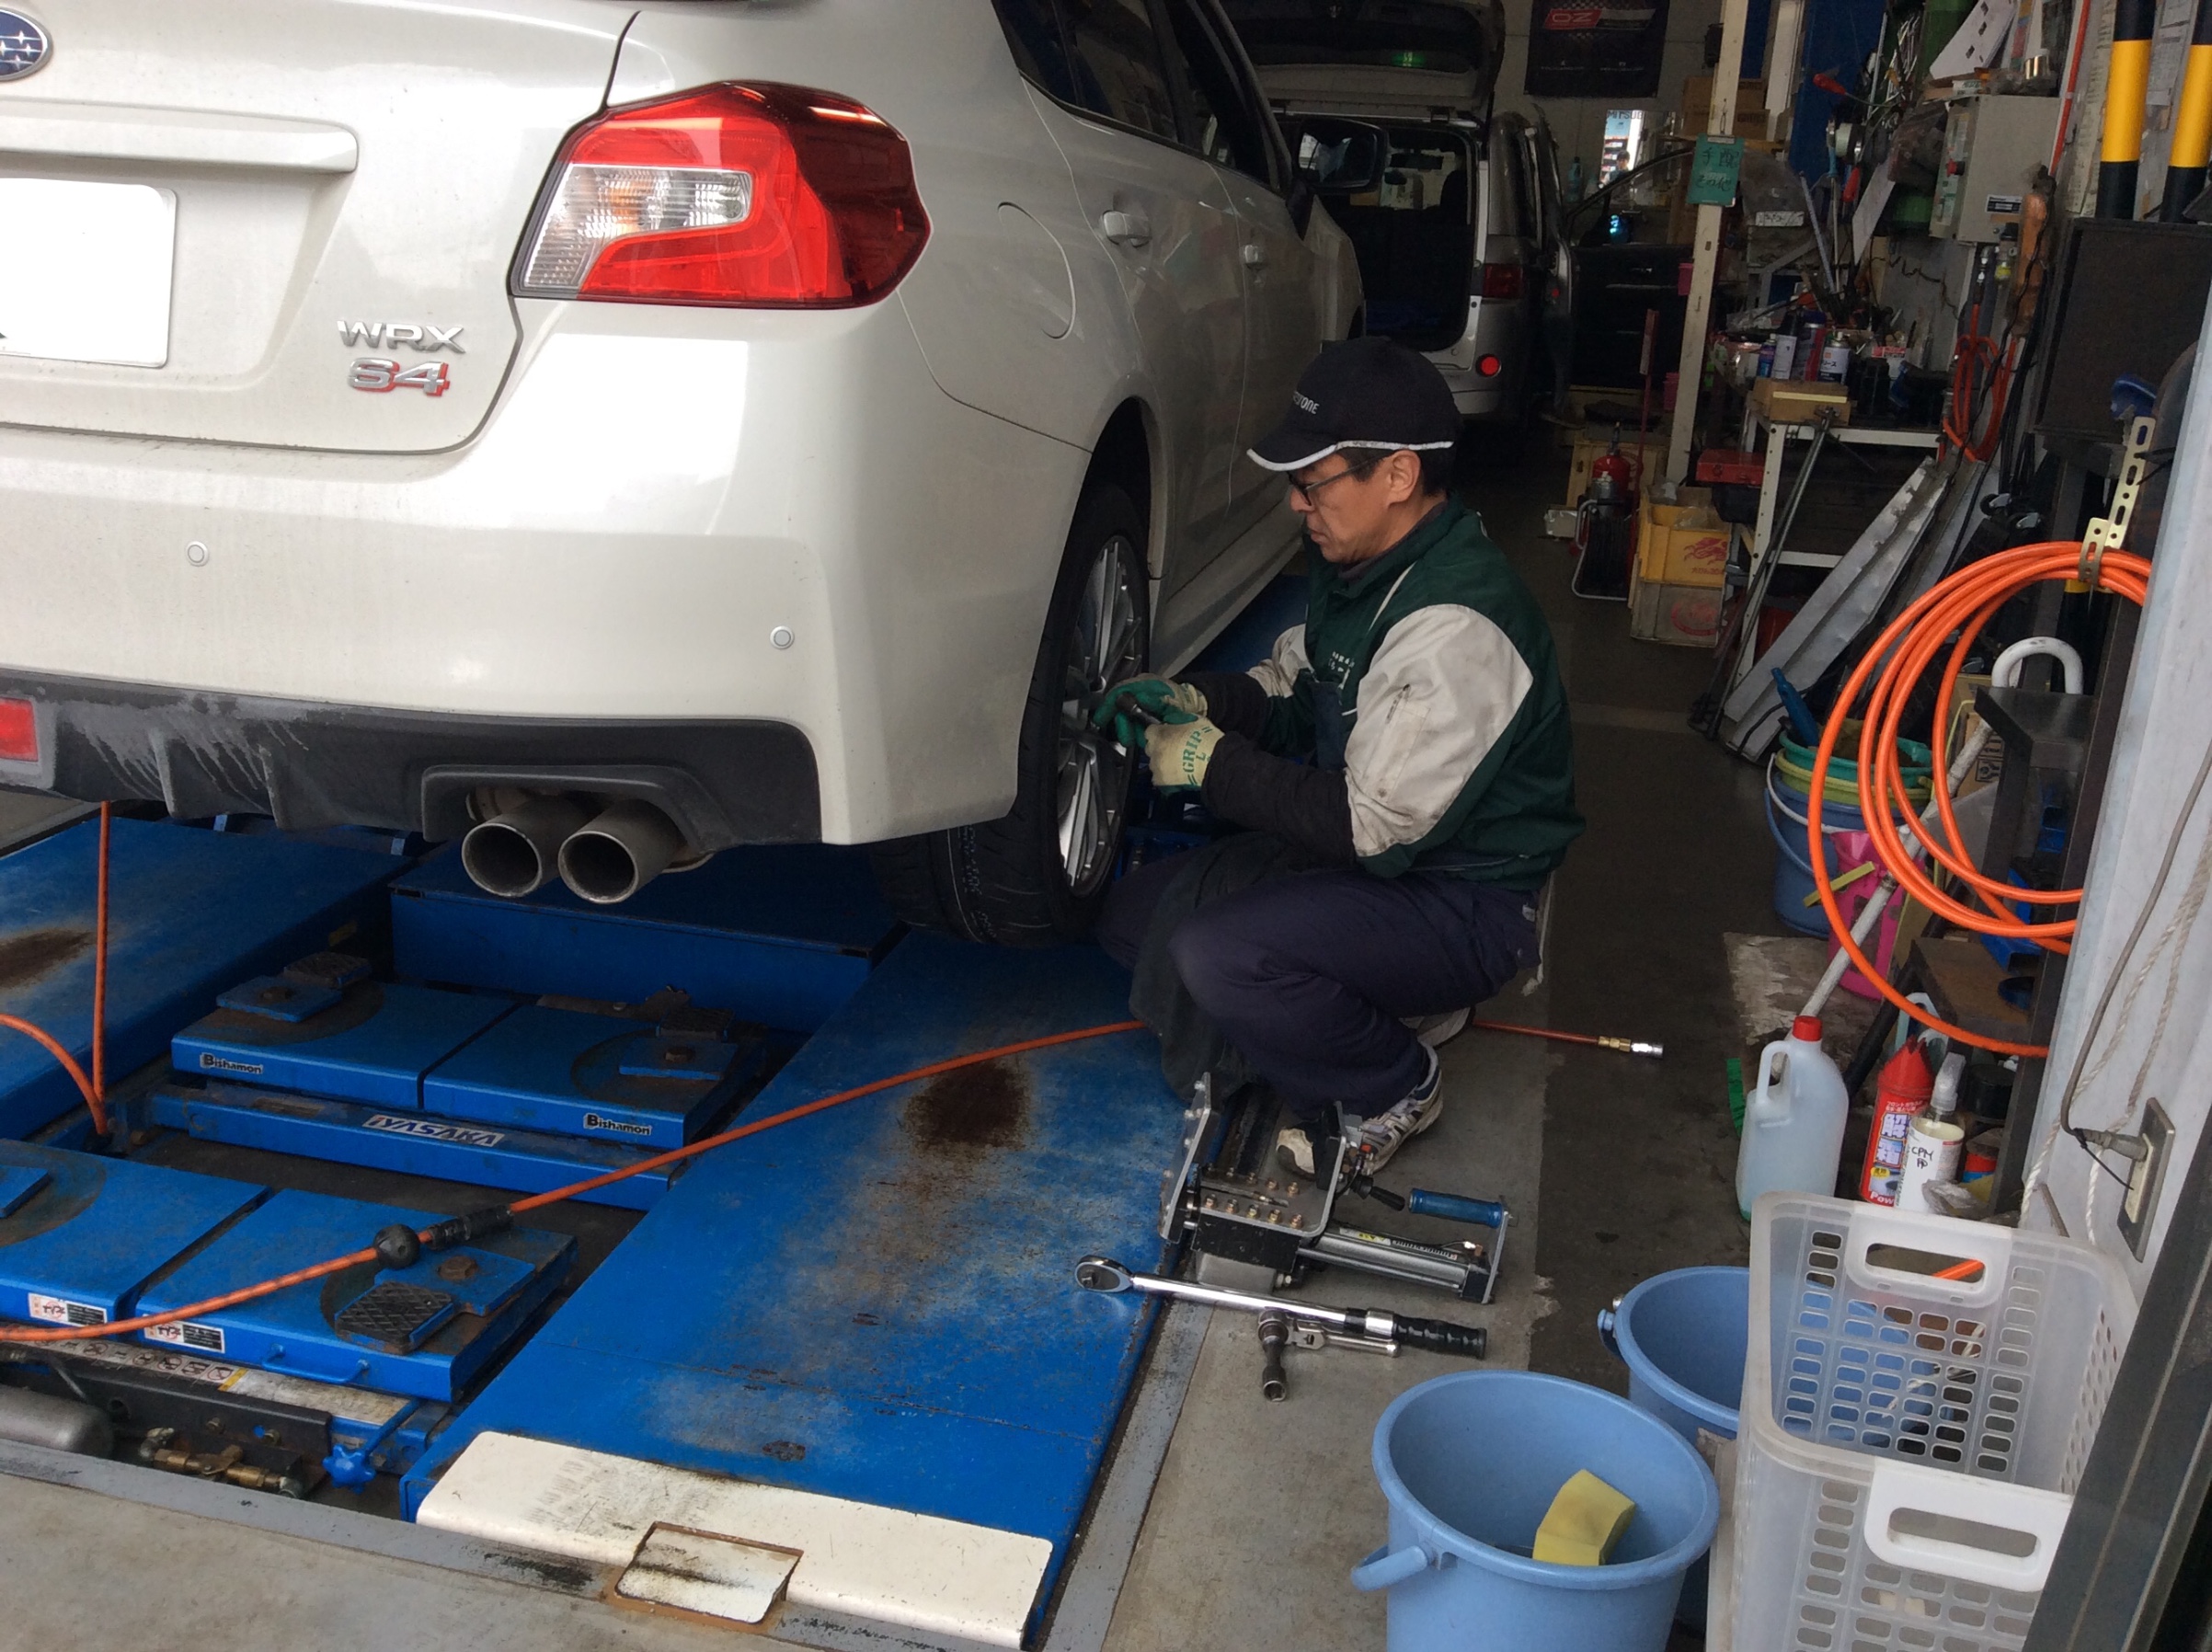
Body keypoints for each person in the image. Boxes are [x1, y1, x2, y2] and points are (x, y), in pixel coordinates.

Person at [1095, 336, 1582, 1173]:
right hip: (1392, 866)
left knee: (1219, 956)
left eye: (1312, 482)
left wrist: (1211, 764)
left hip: (1467, 899)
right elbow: (1301, 694)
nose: (1296, 504)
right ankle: (1369, 992)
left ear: (1397, 476)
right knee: (1136, 922)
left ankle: (1395, 1085)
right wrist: (1200, 701)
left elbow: (1369, 831)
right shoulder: (1365, 566)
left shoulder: (1454, 628)